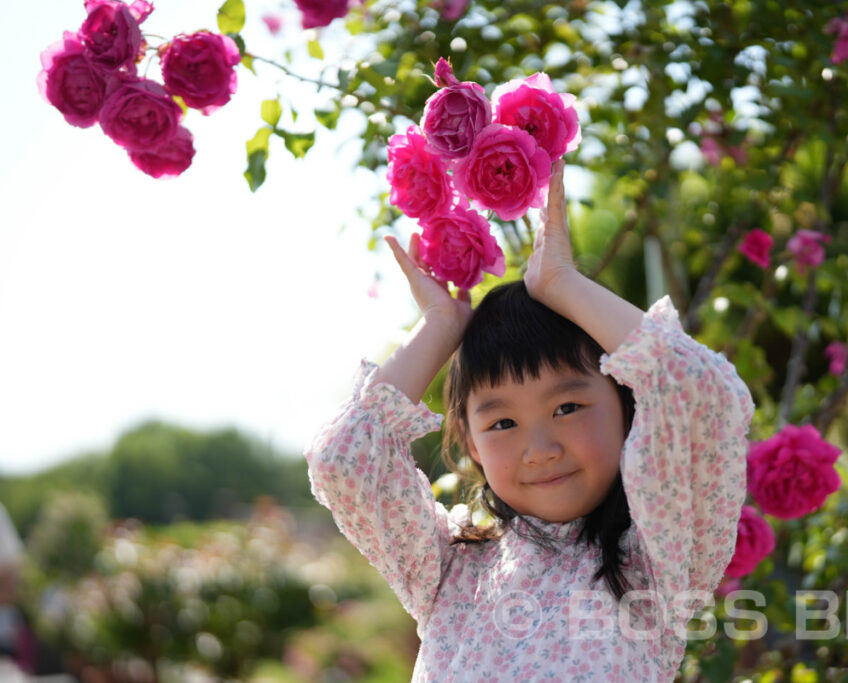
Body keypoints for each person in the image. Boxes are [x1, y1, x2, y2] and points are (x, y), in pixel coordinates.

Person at [305, 160, 755, 682]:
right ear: (471, 443)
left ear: (628, 412)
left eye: (567, 408)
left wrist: (563, 284)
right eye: (501, 424)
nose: (539, 448)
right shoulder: (449, 567)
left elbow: (707, 396)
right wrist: (439, 327)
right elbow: (343, 463)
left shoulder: (655, 562)